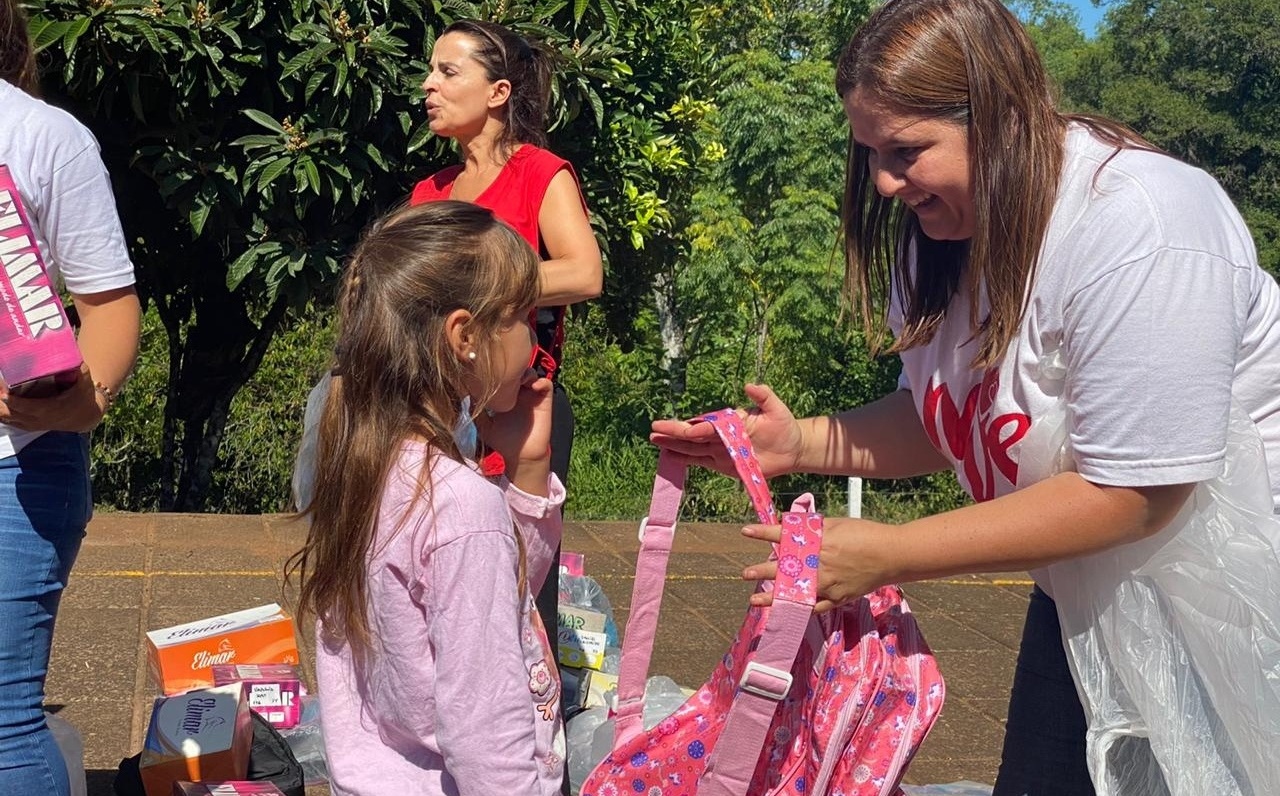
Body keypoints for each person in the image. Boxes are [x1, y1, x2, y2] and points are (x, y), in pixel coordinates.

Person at [651, 1, 1280, 794]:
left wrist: (889, 552)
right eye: (870, 153)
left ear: (1001, 117)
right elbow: (947, 417)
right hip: (1085, 596)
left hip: (1237, 614)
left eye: (906, 150)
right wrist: (798, 442)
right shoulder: (946, 234)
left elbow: (1137, 491)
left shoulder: (1144, 226)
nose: (884, 183)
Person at [288, 200, 566, 795]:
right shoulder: (459, 505)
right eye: (524, 319)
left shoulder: (362, 461)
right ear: (465, 336)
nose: (535, 343)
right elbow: (486, 736)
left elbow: (502, 602)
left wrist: (527, 467)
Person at [412, 17, 602, 669]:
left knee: (523, 592)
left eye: (447, 71)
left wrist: (476, 288)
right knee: (442, 584)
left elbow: (583, 273)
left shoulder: (540, 173)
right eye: (430, 71)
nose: (428, 85)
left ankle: (534, 734)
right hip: (436, 416)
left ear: (497, 92)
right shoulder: (429, 193)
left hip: (523, 414)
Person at [0, 3, 141, 794]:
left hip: (15, 468)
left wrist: (78, 403)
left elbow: (110, 309)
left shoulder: (43, 137)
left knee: (1, 725)